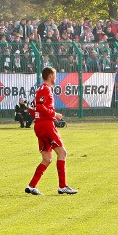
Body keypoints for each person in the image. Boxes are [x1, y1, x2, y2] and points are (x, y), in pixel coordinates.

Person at [25, 66, 77, 195]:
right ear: (50, 76)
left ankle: (31, 186)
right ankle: (62, 186)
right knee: (62, 153)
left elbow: (32, 108)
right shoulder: (46, 89)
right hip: (46, 125)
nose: (56, 77)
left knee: (47, 158)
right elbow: (39, 106)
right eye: (55, 75)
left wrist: (41, 116)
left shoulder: (40, 89)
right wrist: (54, 114)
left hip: (39, 125)